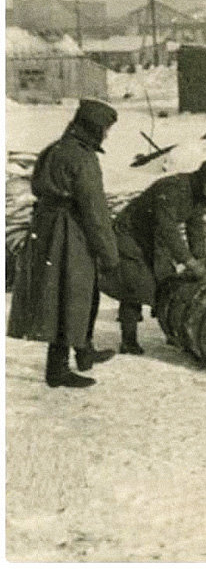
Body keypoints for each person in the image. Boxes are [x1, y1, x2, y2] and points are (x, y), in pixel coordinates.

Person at [7, 99, 120, 388]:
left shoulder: (53, 149)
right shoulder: (82, 158)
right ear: (94, 129)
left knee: (65, 295)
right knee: (70, 296)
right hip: (70, 232)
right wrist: (109, 254)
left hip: (46, 227)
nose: (106, 135)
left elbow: (36, 186)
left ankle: (84, 351)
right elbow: (94, 209)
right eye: (105, 130)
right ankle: (58, 370)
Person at [109, 159, 206, 355]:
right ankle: (128, 340)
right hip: (130, 234)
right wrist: (189, 262)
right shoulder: (174, 188)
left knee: (168, 280)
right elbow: (168, 227)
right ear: (203, 178)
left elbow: (195, 229)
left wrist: (201, 258)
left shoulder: (200, 195)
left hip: (154, 237)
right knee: (136, 284)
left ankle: (172, 331)